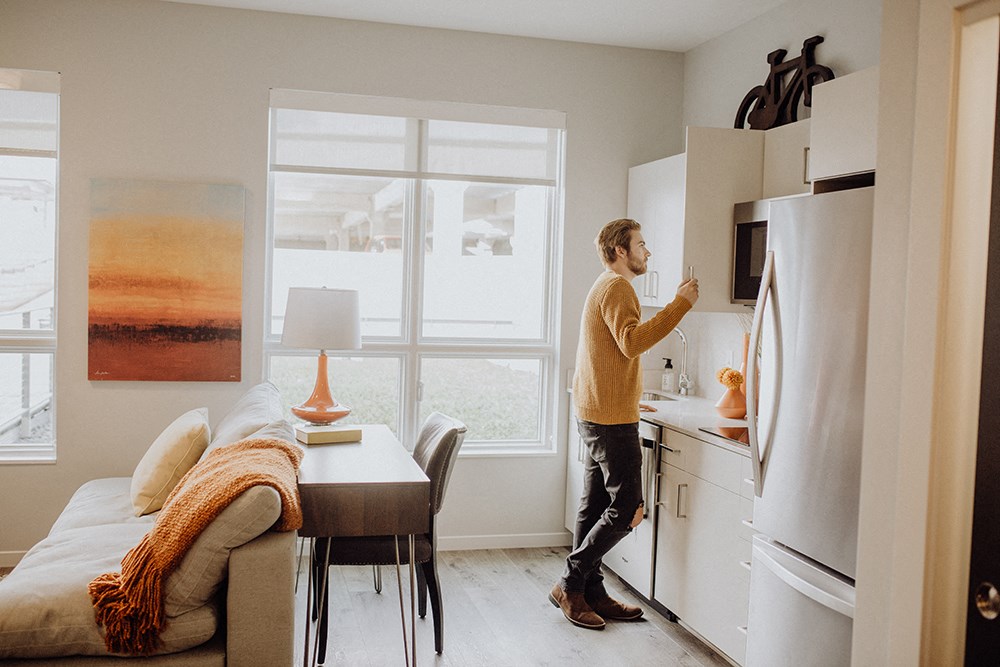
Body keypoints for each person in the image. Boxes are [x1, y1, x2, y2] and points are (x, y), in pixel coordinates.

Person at [550, 218, 699, 629]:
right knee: (628, 506)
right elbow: (631, 342)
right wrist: (679, 305)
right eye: (641, 244)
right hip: (608, 418)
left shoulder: (605, 284)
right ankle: (571, 581)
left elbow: (613, 354)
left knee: (594, 505)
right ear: (621, 249)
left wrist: (631, 400)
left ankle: (589, 591)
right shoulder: (618, 287)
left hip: (598, 409)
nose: (647, 252)